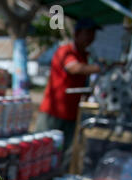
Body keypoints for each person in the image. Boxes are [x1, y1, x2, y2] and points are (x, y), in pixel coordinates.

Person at [36, 18, 102, 160]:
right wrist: (100, 69)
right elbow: (74, 68)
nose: (91, 37)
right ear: (77, 34)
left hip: (72, 114)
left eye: (93, 33)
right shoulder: (65, 51)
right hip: (53, 113)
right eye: (88, 33)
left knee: (63, 154)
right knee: (41, 150)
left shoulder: (86, 56)